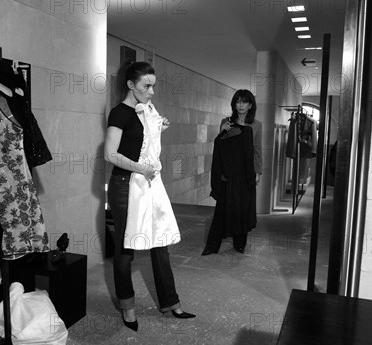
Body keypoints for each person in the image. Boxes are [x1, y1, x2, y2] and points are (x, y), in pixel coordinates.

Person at [104, 60, 196, 331]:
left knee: (160, 244)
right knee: (125, 248)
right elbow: (110, 154)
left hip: (149, 183)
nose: (152, 91)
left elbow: (144, 142)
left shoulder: (148, 111)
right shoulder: (119, 113)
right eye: (147, 86)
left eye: (153, 86)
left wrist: (158, 127)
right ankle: (128, 306)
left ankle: (171, 302)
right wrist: (140, 168)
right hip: (124, 184)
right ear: (131, 85)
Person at [202, 89, 260, 255]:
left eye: (244, 102)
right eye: (237, 102)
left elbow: (258, 150)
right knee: (223, 208)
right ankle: (213, 245)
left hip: (246, 173)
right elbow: (221, 146)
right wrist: (222, 131)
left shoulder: (256, 125)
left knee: (243, 208)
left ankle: (239, 243)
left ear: (250, 105)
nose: (240, 105)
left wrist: (259, 171)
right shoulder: (226, 121)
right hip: (228, 174)